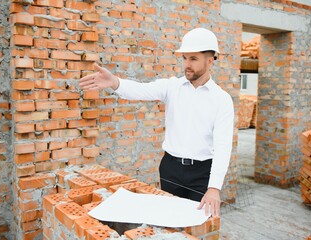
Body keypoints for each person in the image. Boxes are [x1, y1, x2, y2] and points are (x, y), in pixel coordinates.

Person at [79, 28, 234, 217]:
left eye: (193, 59)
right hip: (171, 168)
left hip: (202, 174)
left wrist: (214, 188)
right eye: (184, 58)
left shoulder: (222, 99)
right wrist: (115, 82)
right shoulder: (172, 87)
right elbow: (140, 90)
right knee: (169, 220)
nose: (187, 64)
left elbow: (223, 147)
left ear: (210, 61)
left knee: (197, 225)